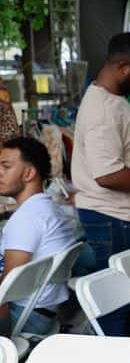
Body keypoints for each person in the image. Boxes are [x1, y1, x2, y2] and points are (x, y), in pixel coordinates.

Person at [72, 32, 130, 335]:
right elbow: (108, 175)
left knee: (129, 308)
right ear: (123, 66)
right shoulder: (103, 110)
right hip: (114, 219)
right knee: (117, 312)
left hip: (121, 219)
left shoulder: (111, 103)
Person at [0, 137, 77, 335]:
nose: (0, 172)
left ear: (29, 173)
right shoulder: (48, 208)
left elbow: (5, 292)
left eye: (6, 166)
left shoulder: (27, 218)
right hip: (44, 311)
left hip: (23, 316)